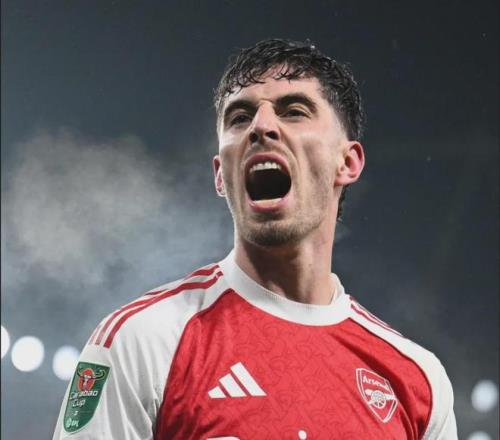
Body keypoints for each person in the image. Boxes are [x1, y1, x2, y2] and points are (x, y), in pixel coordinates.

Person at [53, 38, 457, 439]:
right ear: (219, 175)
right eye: (240, 117)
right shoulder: (143, 339)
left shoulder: (417, 381)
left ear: (347, 162)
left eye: (294, 111)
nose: (261, 127)